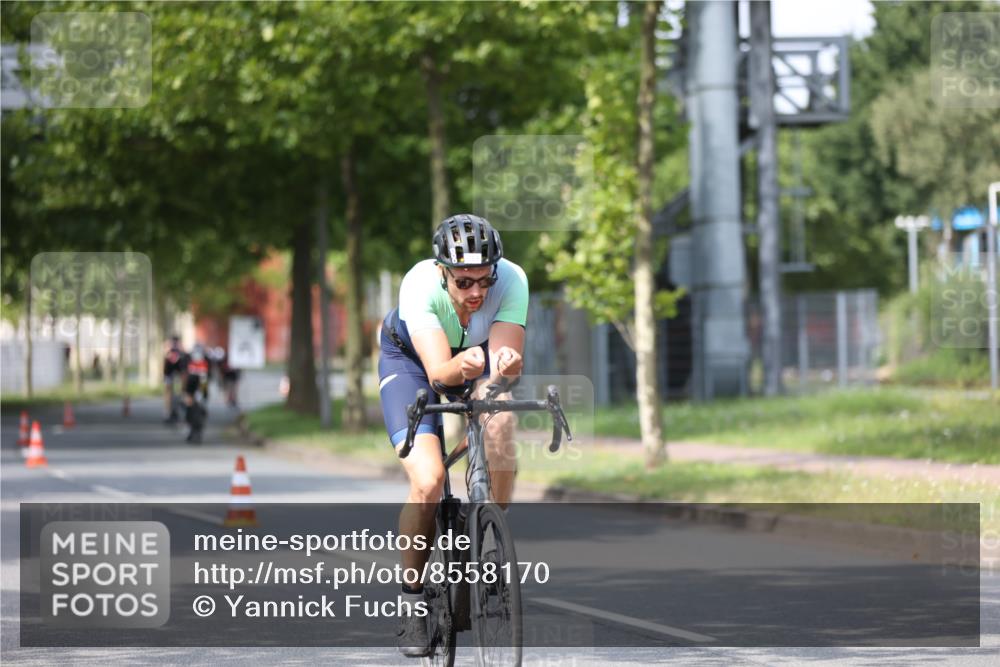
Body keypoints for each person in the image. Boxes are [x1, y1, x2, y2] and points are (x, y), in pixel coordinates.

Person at [378, 214, 527, 657]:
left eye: (485, 279)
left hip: (474, 360)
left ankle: (488, 525)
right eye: (464, 282)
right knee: (427, 481)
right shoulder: (419, 284)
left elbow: (505, 359)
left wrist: (504, 365)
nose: (477, 292)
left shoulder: (513, 280)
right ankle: (411, 601)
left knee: (501, 420)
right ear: (443, 272)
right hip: (413, 363)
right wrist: (462, 367)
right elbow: (440, 373)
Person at [183, 343, 211, 443]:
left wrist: (203, 393)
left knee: (202, 405)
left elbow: (208, 377)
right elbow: (185, 376)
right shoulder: (187, 359)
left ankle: (199, 427)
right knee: (189, 406)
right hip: (191, 383)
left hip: (202, 383)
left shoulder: (207, 360)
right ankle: (189, 428)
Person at [162, 335, 186, 423]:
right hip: (170, 375)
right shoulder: (170, 352)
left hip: (176, 376)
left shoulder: (180, 352)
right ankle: (168, 412)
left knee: (176, 393)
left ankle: (172, 411)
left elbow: (183, 365)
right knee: (168, 393)